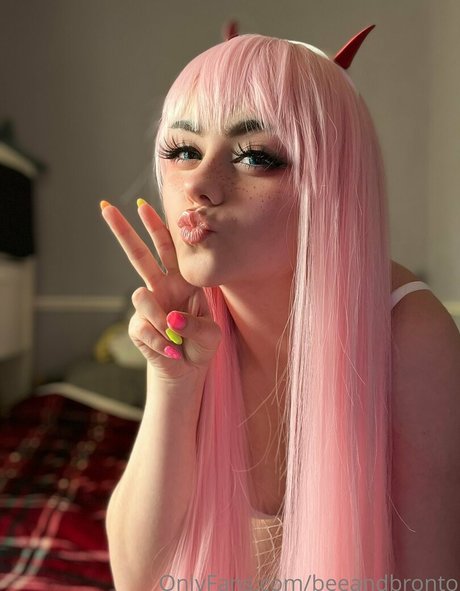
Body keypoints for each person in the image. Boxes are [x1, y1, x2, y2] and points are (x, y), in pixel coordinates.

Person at [100, 25, 460, 591]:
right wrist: (173, 382)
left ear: (331, 184)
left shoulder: (409, 333)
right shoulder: (190, 321)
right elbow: (136, 578)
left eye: (255, 156)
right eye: (184, 150)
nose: (199, 184)